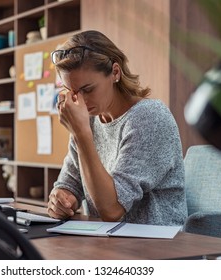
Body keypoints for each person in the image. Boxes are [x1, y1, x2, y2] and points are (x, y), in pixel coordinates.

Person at [47, 30, 187, 225]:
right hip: (106, 243)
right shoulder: (89, 120)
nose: (80, 101)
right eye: (72, 92)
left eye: (88, 89)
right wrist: (61, 199)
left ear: (115, 72)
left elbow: (112, 209)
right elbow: (70, 183)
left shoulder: (149, 117)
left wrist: (81, 134)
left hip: (156, 246)